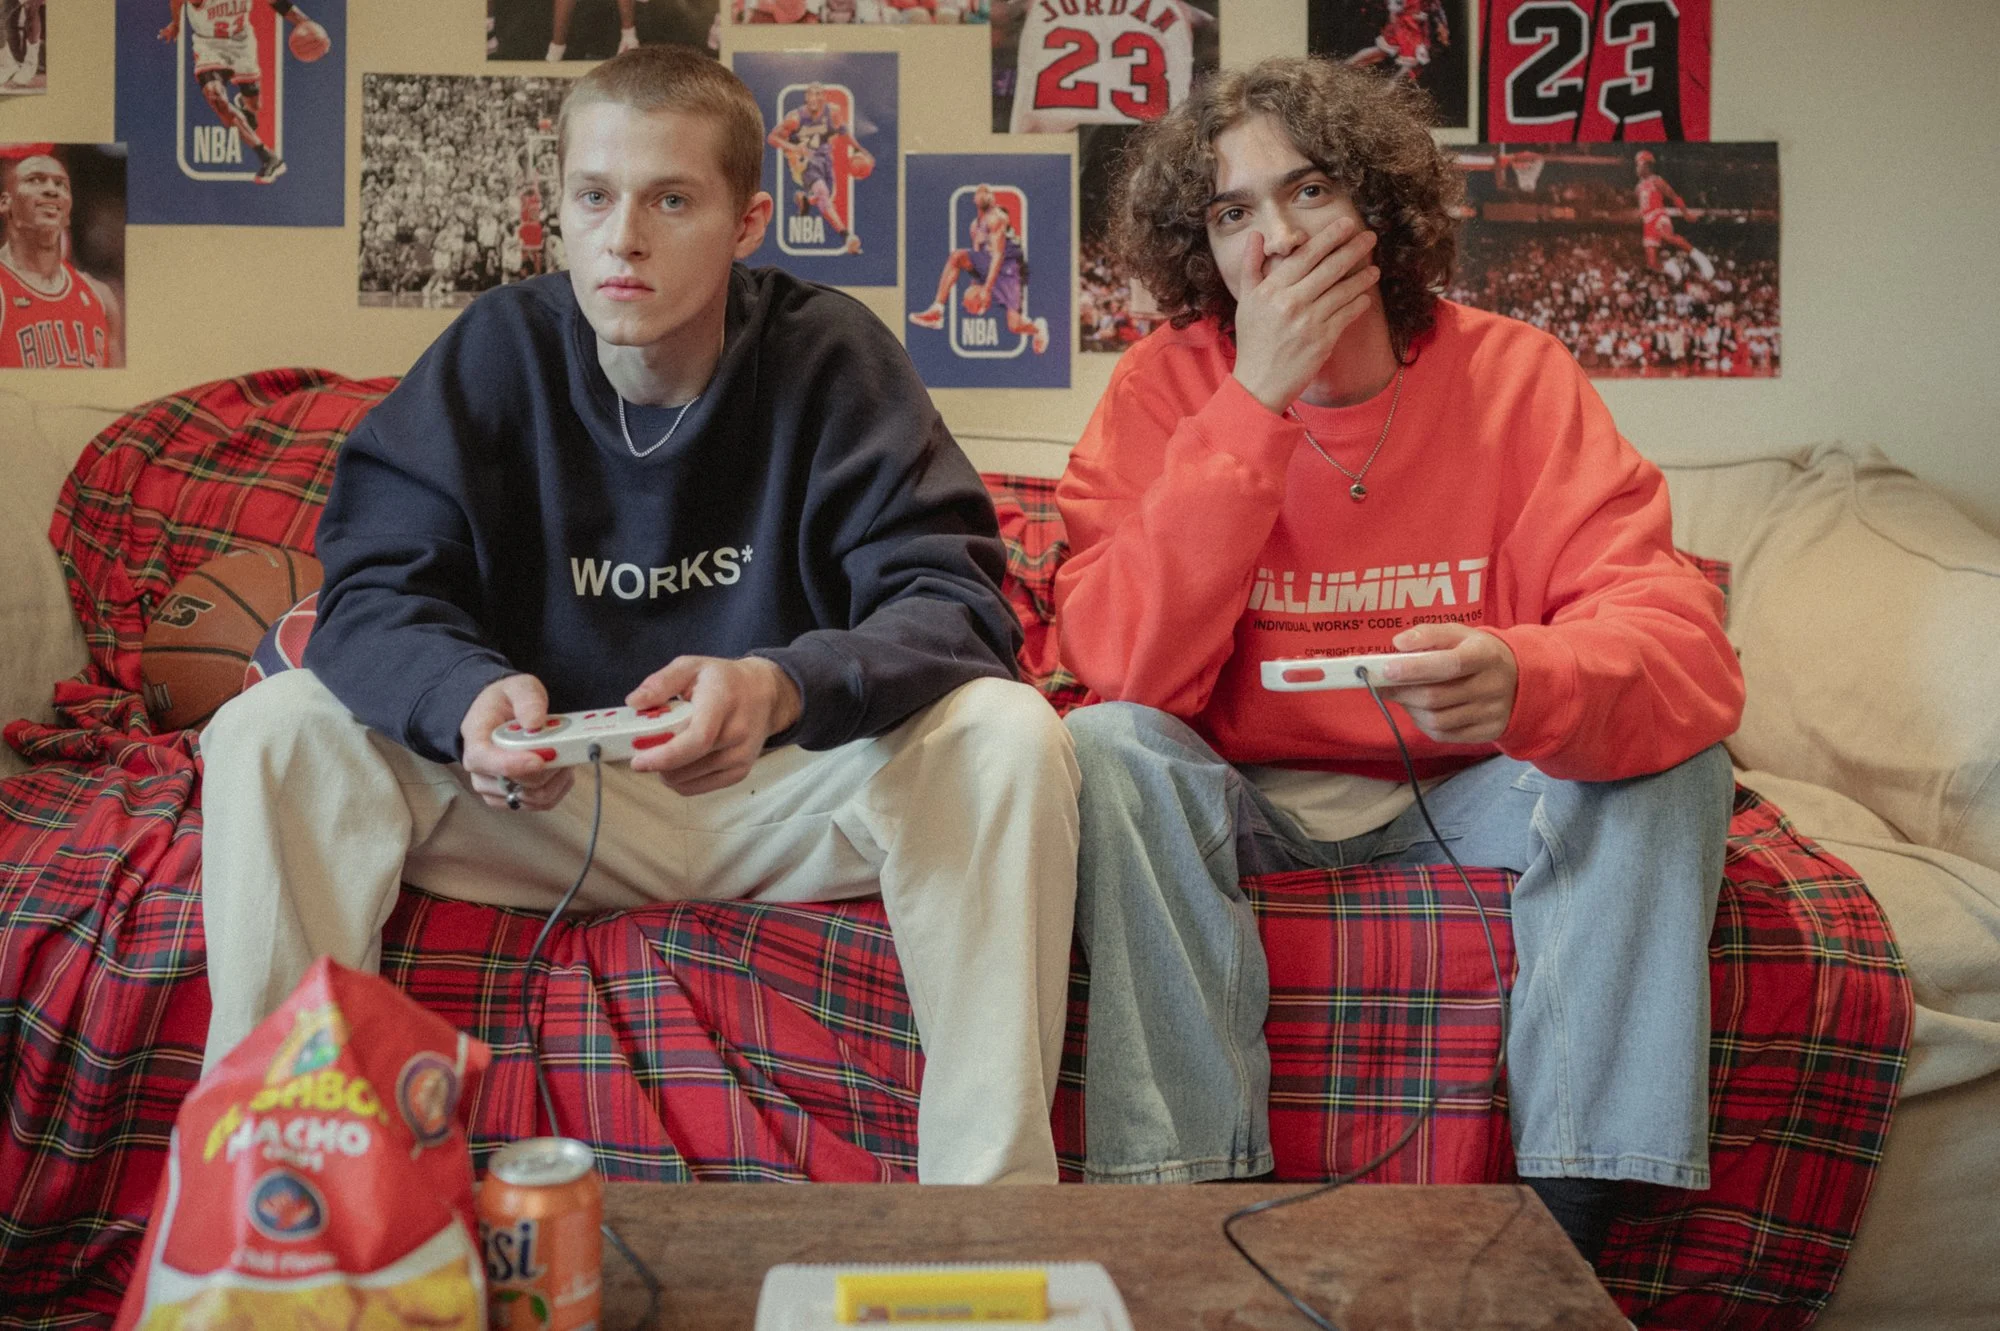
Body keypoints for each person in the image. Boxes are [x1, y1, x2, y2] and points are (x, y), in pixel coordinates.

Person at [198, 46, 1081, 1187]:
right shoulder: (494, 352)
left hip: (770, 791)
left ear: (746, 219)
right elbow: (372, 592)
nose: (625, 236)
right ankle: (278, 1210)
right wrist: (463, 696)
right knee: (273, 728)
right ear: (555, 213)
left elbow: (955, 604)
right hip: (541, 794)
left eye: (671, 199)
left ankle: (988, 1219)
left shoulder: (831, 357)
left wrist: (779, 684)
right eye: (595, 197)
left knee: (1010, 731)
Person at [1053, 57, 1742, 1261]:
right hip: (1242, 797)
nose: (1273, 237)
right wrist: (1253, 401)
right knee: (1104, 743)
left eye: (1306, 189)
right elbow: (1120, 669)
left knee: (1676, 762)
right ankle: (1187, 1205)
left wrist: (1527, 676)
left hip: (1473, 785)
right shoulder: (1160, 389)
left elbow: (1677, 644)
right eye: (1229, 213)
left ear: (1374, 207)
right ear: (1200, 251)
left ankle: (1570, 1221)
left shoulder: (1514, 376)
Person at [158, 0, 326, 185]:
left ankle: (245, 110)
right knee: (216, 97)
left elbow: (279, 3)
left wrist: (306, 25)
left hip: (242, 43)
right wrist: (175, 24)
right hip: (209, 45)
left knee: (254, 106)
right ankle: (267, 157)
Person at [0, 153, 123, 369]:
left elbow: (120, 395)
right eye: (35, 180)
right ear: (5, 202)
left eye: (60, 184)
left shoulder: (101, 297)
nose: (51, 190)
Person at [908, 183, 1050, 354]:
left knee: (1015, 325)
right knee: (957, 257)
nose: (984, 195)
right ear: (975, 199)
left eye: (988, 193)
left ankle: (1037, 328)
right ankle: (937, 310)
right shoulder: (975, 226)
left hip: (1010, 268)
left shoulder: (996, 217)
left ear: (992, 199)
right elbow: (978, 259)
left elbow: (998, 255)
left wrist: (986, 290)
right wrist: (976, 285)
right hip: (991, 264)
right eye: (981, 192)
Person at [767, 83, 864, 255]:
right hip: (803, 162)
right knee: (823, 194)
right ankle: (847, 235)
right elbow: (772, 138)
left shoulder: (832, 113)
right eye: (811, 94)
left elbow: (844, 132)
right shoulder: (795, 118)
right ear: (806, 98)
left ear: (824, 98)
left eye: (818, 94)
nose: (814, 98)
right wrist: (793, 147)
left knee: (825, 196)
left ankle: (805, 199)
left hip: (825, 161)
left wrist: (858, 149)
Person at [1636, 149, 1713, 280]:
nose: (1637, 168)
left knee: (1667, 236)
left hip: (1658, 215)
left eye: (1638, 165)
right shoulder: (1638, 188)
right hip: (1647, 221)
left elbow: (1674, 196)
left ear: (1646, 166)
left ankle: (1700, 258)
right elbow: (1643, 207)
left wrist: (1686, 214)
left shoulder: (1657, 181)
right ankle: (1670, 268)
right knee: (1652, 263)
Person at [1345, 0, 1448, 83]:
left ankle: (1390, 86)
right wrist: (1395, 12)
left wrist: (1439, 25)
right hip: (1407, 25)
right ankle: (1347, 65)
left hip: (1415, 27)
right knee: (1386, 53)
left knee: (1409, 61)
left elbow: (1434, 8)